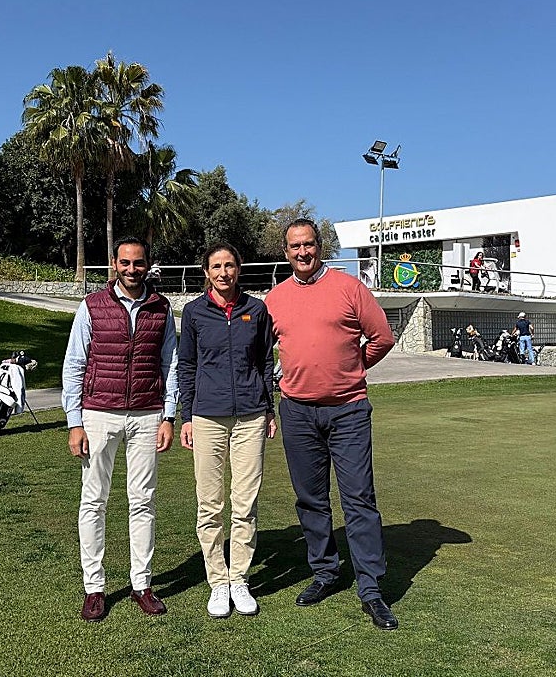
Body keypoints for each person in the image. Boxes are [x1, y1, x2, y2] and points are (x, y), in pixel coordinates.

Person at [264, 218, 399, 631]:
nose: (302, 253)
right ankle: (325, 572)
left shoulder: (349, 289)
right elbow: (261, 350)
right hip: (298, 412)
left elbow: (382, 338)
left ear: (319, 247)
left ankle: (371, 588)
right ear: (285, 252)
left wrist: (351, 368)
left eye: (308, 245)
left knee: (359, 498)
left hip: (348, 411)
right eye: (293, 247)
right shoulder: (275, 298)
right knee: (311, 499)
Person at [62, 236, 178, 622]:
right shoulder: (92, 306)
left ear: (148, 265)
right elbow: (75, 364)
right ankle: (94, 587)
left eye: (139, 263)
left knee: (142, 501)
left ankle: (141, 584)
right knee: (94, 501)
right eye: (125, 263)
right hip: (99, 414)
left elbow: (170, 364)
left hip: (147, 414)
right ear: (114, 264)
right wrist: (74, 421)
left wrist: (168, 415)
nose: (132, 269)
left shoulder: (161, 308)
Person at [178, 243, 277, 619]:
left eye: (230, 265)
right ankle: (218, 582)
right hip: (207, 417)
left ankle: (239, 579)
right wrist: (186, 415)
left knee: (245, 502)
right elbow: (186, 366)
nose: (223, 273)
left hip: (251, 415)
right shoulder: (194, 313)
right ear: (206, 272)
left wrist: (268, 408)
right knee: (210, 504)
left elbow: (265, 361)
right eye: (216, 266)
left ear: (239, 269)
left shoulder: (257, 309)